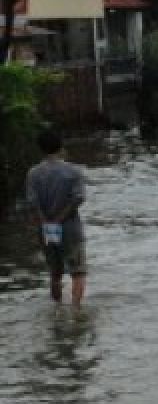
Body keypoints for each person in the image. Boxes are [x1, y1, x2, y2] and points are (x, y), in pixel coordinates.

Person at [26, 129, 88, 307]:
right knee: (78, 272)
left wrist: (46, 221)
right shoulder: (73, 171)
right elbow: (78, 198)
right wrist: (59, 219)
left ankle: (57, 309)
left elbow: (32, 202)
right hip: (69, 228)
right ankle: (76, 312)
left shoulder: (33, 173)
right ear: (61, 146)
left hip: (46, 228)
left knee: (55, 272)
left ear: (41, 149)